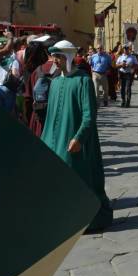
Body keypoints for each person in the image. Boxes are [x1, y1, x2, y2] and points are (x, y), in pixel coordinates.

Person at [40, 40, 113, 232]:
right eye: (54, 56)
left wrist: (79, 138)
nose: (55, 60)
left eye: (59, 56)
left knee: (79, 181)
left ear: (69, 58)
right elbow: (50, 117)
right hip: (55, 143)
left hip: (77, 143)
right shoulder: (55, 83)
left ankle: (86, 219)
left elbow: (90, 115)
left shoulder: (83, 81)